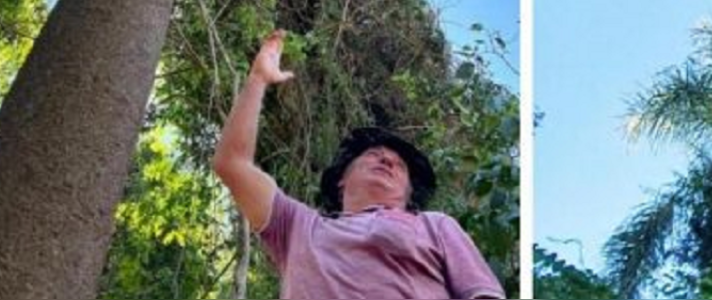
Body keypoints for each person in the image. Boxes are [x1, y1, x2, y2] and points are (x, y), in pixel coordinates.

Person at [212, 29, 505, 300]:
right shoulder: (297, 227)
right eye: (374, 154)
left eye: (400, 165)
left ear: (408, 193)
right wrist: (258, 79)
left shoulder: (434, 225)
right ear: (342, 178)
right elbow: (232, 164)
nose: (388, 160)